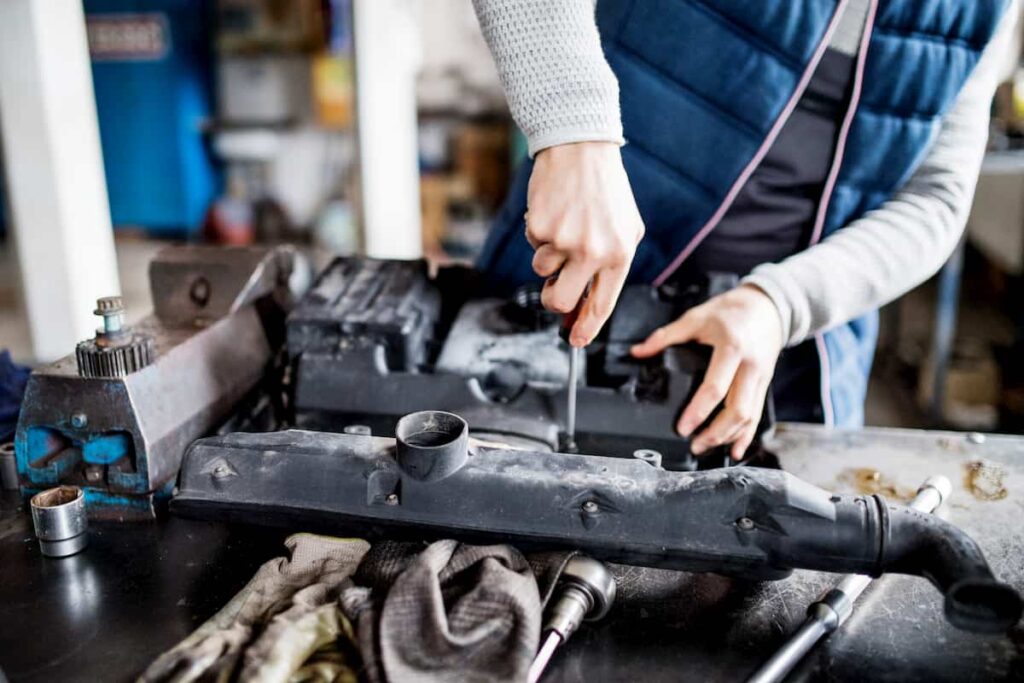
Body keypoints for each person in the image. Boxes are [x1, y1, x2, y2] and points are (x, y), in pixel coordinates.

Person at [471, 0, 1018, 459]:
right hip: (547, 314)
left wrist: (778, 303)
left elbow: (935, 201)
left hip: (790, 366)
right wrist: (571, 127)